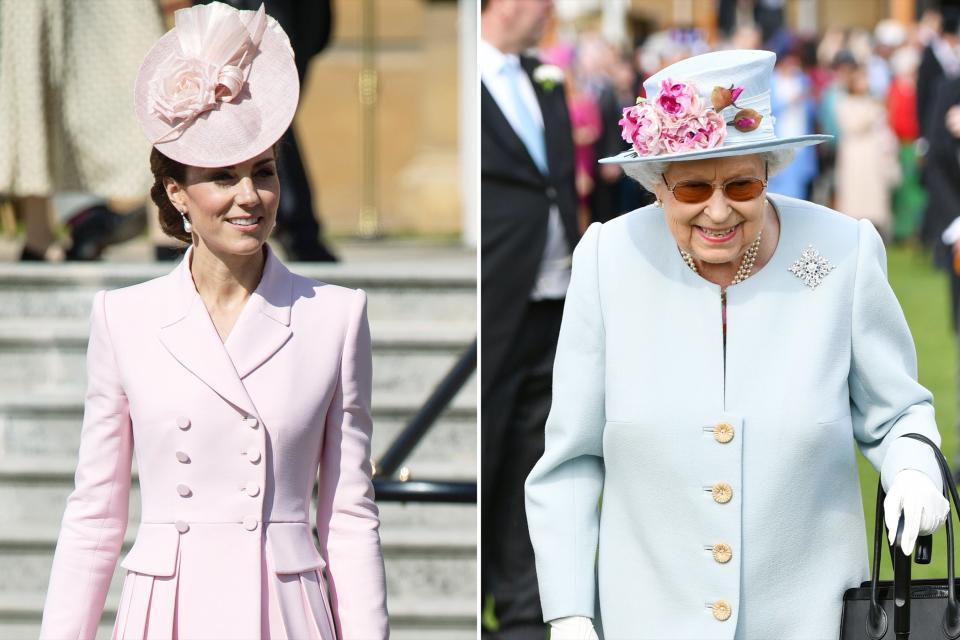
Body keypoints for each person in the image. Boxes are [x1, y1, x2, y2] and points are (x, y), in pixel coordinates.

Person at [525, 49, 950, 639]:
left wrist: (913, 469)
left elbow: (898, 412)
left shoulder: (838, 252)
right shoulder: (608, 259)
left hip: (811, 622)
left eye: (743, 183)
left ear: (769, 173)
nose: (719, 211)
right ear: (656, 185)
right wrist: (569, 611)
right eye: (694, 188)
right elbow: (571, 459)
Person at [38, 4, 387, 639]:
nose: (249, 196)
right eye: (222, 177)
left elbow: (349, 515)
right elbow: (94, 515)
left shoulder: (335, 316)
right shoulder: (124, 317)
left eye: (265, 172)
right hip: (166, 615)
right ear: (177, 194)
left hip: (286, 616)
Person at [480, 0, 578, 638]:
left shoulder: (544, 78)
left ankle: (522, 606)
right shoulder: (472, 81)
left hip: (554, 293)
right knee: (489, 441)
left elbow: (556, 183)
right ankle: (481, 589)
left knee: (535, 453)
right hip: (495, 292)